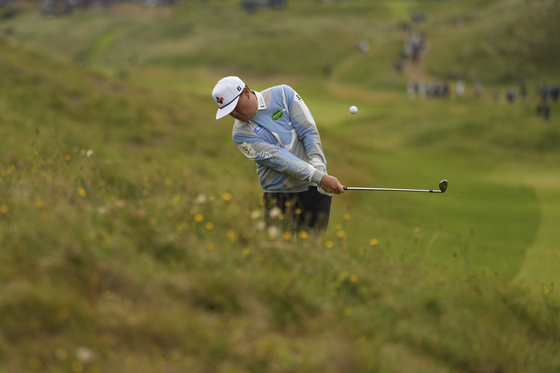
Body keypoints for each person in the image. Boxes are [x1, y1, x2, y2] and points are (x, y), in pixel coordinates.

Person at [212, 76, 345, 231]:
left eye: (235, 107)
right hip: (279, 197)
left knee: (313, 251)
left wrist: (320, 174)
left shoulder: (283, 93)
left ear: (246, 92)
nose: (234, 114)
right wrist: (319, 177)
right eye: (228, 111)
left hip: (316, 193)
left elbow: (309, 132)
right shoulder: (240, 134)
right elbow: (279, 158)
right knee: (277, 252)